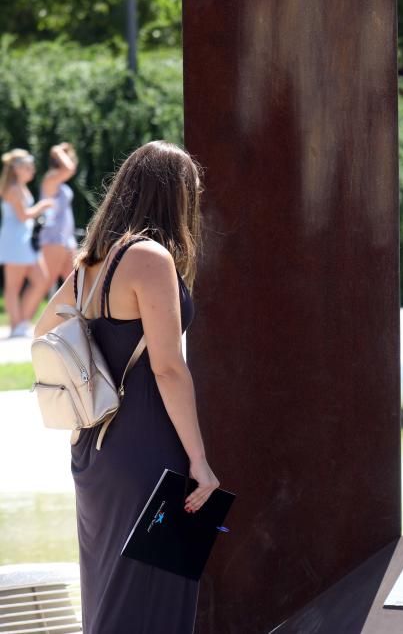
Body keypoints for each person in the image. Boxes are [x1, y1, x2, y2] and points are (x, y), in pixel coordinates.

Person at [34, 141, 219, 632]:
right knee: (155, 602)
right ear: (172, 196)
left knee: (113, 597)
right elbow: (169, 368)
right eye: (191, 194)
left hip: (96, 451)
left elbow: (41, 333)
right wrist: (199, 460)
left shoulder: (90, 263)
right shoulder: (150, 257)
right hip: (148, 450)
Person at [0, 149, 54, 337]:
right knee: (13, 286)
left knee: (41, 279)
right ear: (17, 169)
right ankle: (17, 325)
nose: (32, 170)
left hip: (25, 241)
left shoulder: (20, 187)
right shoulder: (13, 188)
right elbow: (23, 216)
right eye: (28, 167)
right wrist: (42, 206)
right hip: (15, 241)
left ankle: (21, 322)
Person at [39, 143, 79, 289]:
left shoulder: (61, 184)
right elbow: (70, 169)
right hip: (53, 237)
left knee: (76, 283)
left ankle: (72, 313)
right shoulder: (50, 179)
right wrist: (56, 150)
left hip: (67, 238)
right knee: (46, 283)